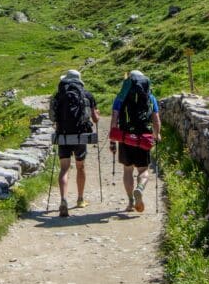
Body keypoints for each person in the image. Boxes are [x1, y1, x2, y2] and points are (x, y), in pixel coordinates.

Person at [49, 69, 100, 217]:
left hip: (63, 135)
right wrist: (97, 114)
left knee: (64, 168)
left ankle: (63, 199)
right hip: (80, 136)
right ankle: (80, 199)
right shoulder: (87, 95)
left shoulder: (58, 95)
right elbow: (95, 119)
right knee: (80, 166)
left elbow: (52, 117)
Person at [109, 70, 161, 213]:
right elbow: (156, 119)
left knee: (127, 169)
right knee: (143, 170)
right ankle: (140, 188)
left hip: (126, 137)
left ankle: (131, 201)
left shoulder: (120, 97)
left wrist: (113, 140)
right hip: (144, 138)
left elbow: (114, 119)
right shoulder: (150, 97)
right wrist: (157, 135)